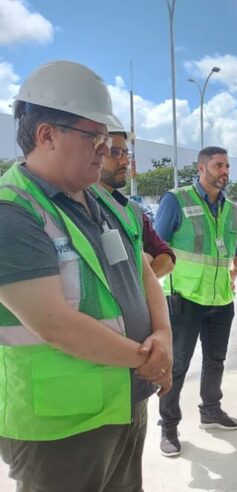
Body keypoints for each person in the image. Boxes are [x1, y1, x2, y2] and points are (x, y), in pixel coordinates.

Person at [0, 60, 172, 491]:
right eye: (93, 136)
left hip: (124, 402)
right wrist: (148, 361)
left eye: (106, 138)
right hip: (60, 425)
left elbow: (144, 272)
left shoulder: (107, 203)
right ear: (46, 135)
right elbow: (54, 324)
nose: (104, 147)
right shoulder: (13, 212)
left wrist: (164, 337)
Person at [154, 146, 237, 457]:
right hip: (185, 299)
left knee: (216, 361)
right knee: (176, 366)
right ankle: (168, 426)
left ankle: (211, 410)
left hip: (222, 299)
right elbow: (156, 247)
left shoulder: (233, 209)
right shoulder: (176, 200)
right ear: (201, 167)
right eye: (219, 165)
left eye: (227, 166)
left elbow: (235, 247)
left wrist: (234, 273)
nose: (225, 171)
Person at [96, 119, 175, 278]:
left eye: (126, 153)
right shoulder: (75, 205)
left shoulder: (132, 210)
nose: (125, 161)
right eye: (115, 152)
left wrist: (138, 283)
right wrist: (145, 260)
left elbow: (166, 256)